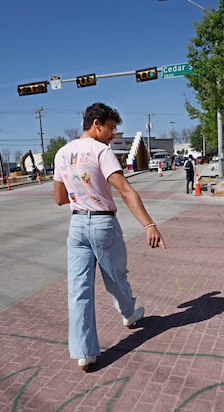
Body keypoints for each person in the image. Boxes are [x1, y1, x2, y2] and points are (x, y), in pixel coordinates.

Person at [53, 102, 167, 371]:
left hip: (77, 225)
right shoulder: (101, 151)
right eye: (112, 128)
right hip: (102, 224)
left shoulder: (61, 153)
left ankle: (85, 353)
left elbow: (59, 199)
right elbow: (126, 191)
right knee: (116, 278)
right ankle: (129, 313)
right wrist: (149, 224)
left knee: (78, 291)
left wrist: (79, 189)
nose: (113, 134)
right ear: (97, 124)